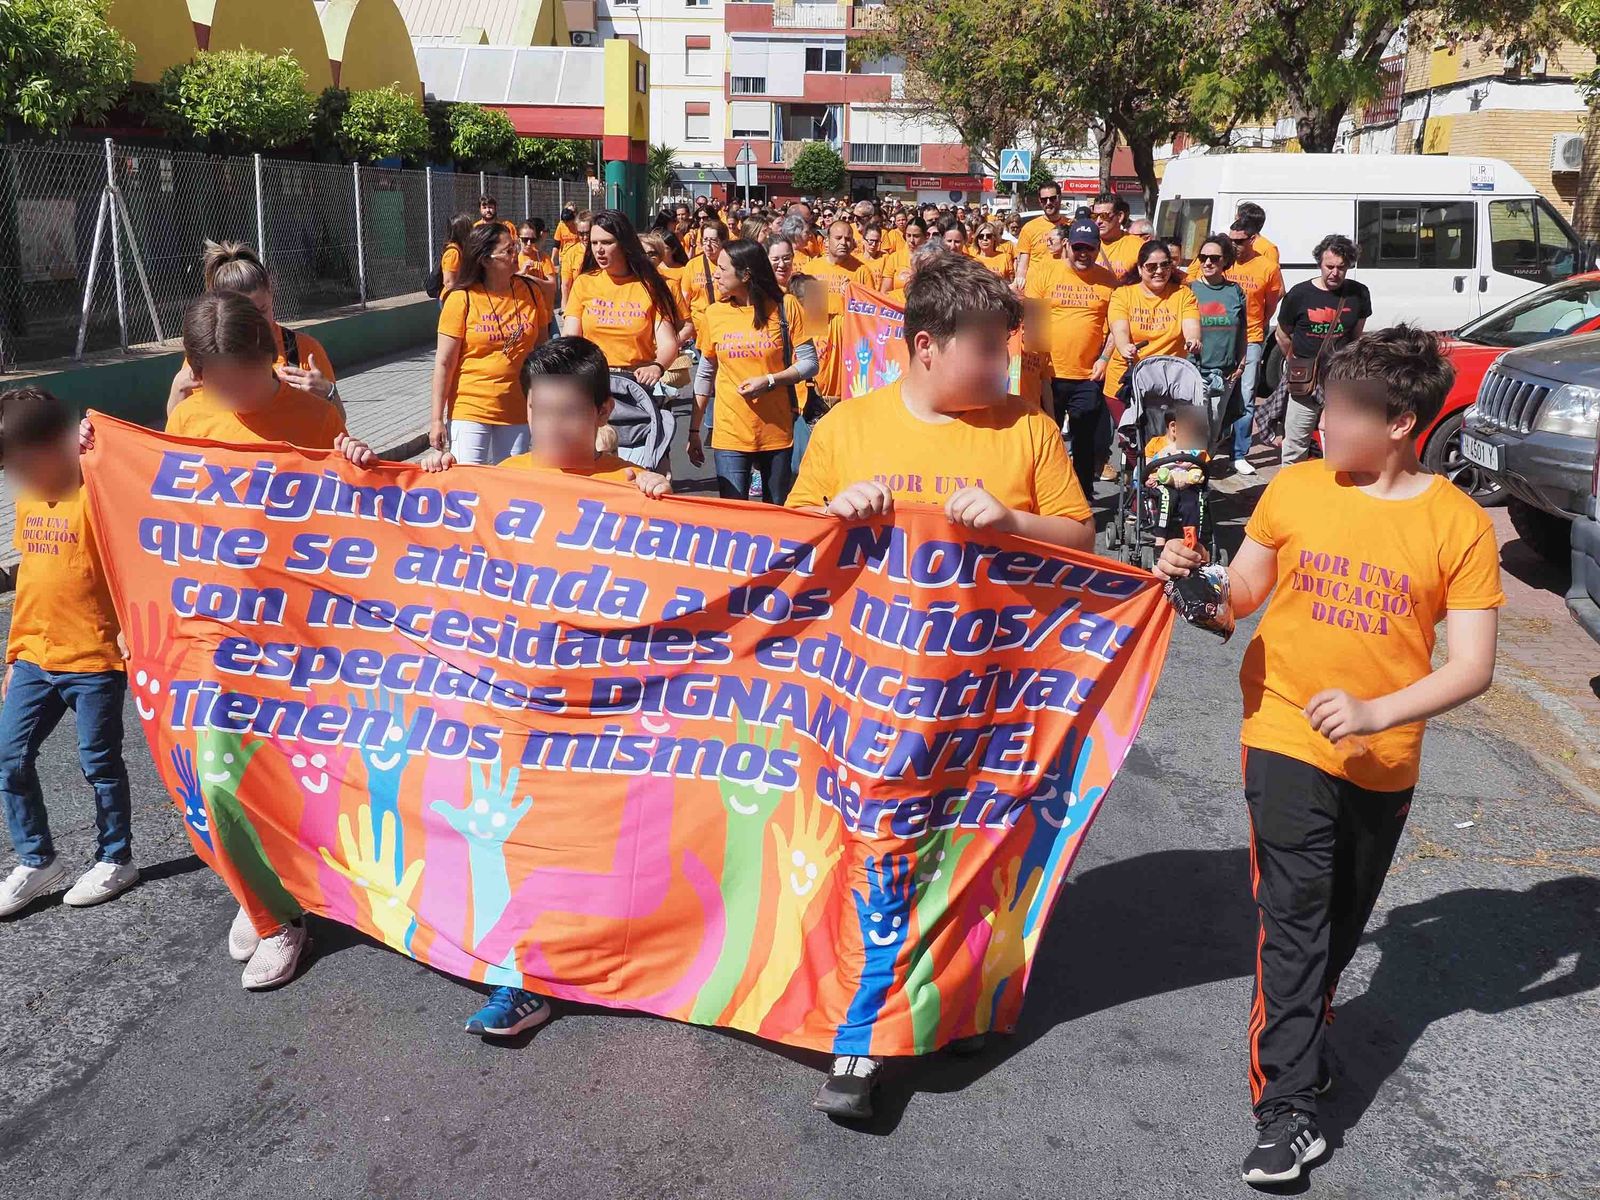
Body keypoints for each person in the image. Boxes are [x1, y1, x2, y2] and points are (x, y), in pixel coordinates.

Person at [1154, 325, 1503, 1186]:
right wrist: (1191, 581)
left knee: (1337, 929)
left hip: (1384, 760)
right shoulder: (1297, 487)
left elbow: (1473, 666)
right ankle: (1286, 1111)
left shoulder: (1458, 524)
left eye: (1344, 412)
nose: (1323, 425)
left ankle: (1305, 1043)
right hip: (1281, 731)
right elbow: (1240, 594)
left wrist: (1377, 711)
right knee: (1295, 925)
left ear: (1400, 424)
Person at [418, 335, 668, 1037]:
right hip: (520, 704)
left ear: (603, 413)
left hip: (601, 710)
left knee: (594, 845)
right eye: (539, 410)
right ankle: (518, 981)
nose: (551, 427)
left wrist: (659, 498)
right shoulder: (499, 480)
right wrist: (432, 479)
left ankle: (616, 964)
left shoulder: (632, 488)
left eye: (568, 413)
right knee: (519, 838)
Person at [158, 293, 373, 988]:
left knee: (285, 777)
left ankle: (280, 888)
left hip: (296, 633)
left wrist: (357, 463)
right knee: (217, 779)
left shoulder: (314, 417)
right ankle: (275, 915)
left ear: (268, 357)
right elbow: (162, 506)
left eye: (242, 379)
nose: (233, 396)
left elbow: (349, 523)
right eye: (217, 382)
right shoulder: (191, 417)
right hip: (217, 628)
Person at [0, 387, 138, 919]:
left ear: (51, 445)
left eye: (20, 460)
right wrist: (14, 654)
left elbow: (133, 559)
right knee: (9, 757)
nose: (14, 473)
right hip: (35, 657)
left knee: (99, 763)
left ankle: (115, 858)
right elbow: (32, 583)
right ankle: (37, 860)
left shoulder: (97, 490)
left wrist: (92, 441)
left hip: (95, 658)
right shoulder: (27, 498)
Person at [688, 239, 818, 502]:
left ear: (746, 274)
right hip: (730, 432)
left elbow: (810, 363)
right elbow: (705, 374)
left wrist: (770, 380)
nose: (715, 275)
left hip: (776, 431)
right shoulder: (714, 313)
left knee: (775, 510)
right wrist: (694, 431)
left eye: (722, 269)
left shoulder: (786, 306)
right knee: (734, 513)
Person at [167, 241, 340, 417]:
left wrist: (328, 392)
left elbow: (336, 422)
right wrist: (178, 388)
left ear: (270, 293)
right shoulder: (208, 355)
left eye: (262, 310)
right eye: (243, 315)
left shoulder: (304, 350)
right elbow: (178, 426)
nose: (256, 321)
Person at [430, 222, 551, 465]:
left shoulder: (531, 292)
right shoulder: (462, 298)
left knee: (511, 481)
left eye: (515, 247)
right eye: (508, 250)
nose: (516, 254)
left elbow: (542, 352)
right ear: (485, 260)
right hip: (470, 407)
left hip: (517, 409)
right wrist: (436, 420)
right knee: (469, 480)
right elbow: (444, 363)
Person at [1025, 217, 1121, 501]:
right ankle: (1045, 496)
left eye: (1089, 248)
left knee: (1084, 439)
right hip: (1048, 374)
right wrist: (1038, 369)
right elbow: (1033, 320)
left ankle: (1082, 497)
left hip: (1087, 375)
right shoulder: (1045, 272)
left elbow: (1117, 327)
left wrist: (1104, 359)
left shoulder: (1108, 281)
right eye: (1078, 247)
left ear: (1097, 248)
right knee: (1045, 438)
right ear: (1066, 245)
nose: (1083, 254)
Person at [1272, 234, 1371, 465]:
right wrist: (1296, 362)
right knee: (1295, 446)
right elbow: (1282, 334)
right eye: (1330, 267)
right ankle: (1291, 486)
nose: (1335, 273)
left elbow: (1356, 338)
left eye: (1341, 267)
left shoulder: (1359, 293)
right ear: (1320, 263)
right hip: (1305, 381)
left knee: (1342, 449)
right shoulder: (1299, 294)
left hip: (1341, 380)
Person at [562, 210, 681, 395]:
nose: (599, 249)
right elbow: (570, 337)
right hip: (593, 382)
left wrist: (657, 366)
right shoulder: (583, 283)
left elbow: (668, 343)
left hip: (636, 385)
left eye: (607, 242)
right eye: (594, 243)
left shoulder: (651, 286)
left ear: (624, 244)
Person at [1105, 240, 1202, 422]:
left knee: (1179, 435)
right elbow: (1119, 329)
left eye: (1165, 265)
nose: (1159, 271)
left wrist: (1193, 340)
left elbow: (1191, 325)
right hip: (1128, 382)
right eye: (1151, 267)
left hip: (1170, 383)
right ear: (1140, 269)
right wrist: (1124, 346)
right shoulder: (1123, 294)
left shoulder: (1183, 294)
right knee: (1135, 436)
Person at [1224, 221, 1285, 476]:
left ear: (1252, 240)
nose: (1234, 245)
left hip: (1251, 338)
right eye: (1231, 240)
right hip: (1219, 338)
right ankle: (1204, 448)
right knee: (1211, 395)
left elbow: (1272, 302)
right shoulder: (1220, 259)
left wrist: (1257, 326)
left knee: (1246, 395)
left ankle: (1239, 453)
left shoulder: (1267, 267)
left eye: (1239, 241)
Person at [1187, 235, 1248, 457]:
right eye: (1203, 257)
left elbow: (1243, 330)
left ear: (1226, 261)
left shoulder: (1235, 291)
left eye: (1214, 258)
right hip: (1194, 371)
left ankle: (1203, 471)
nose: (1207, 262)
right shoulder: (1189, 290)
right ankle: (1188, 473)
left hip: (1225, 373)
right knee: (1191, 432)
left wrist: (1242, 363)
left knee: (1214, 429)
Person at [1142, 403, 1211, 549]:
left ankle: (1191, 541)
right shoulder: (1156, 444)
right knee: (1167, 498)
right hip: (1164, 484)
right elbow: (1149, 467)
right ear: (1173, 426)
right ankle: (1160, 540)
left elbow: (1202, 466)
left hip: (1188, 483)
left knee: (1192, 503)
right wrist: (1150, 478)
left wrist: (1195, 474)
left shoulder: (1194, 445)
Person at [804, 220, 874, 317]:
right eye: (838, 238)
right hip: (819, 325)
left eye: (848, 239)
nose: (843, 242)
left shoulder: (862, 271)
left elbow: (870, 311)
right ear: (827, 241)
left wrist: (853, 296)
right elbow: (807, 314)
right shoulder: (811, 269)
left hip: (848, 325)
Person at [1013, 180, 1067, 290]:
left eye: (1052, 198)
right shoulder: (1029, 228)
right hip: (1036, 288)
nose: (1048, 202)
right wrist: (1019, 279)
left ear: (1060, 198)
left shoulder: (1070, 225)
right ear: (1040, 201)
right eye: (1044, 199)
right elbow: (1023, 263)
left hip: (1062, 287)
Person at [681, 218, 729, 334]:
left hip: (723, 327)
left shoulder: (731, 264)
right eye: (705, 240)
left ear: (724, 241)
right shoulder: (692, 265)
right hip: (697, 330)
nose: (708, 245)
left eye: (713, 240)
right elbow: (684, 300)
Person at [1091, 195, 1143, 279]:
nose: (1098, 221)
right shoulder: (1086, 244)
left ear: (1120, 216)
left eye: (1104, 215)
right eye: (1094, 216)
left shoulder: (1138, 245)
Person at [558, 211, 594, 308]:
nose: (585, 237)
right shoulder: (571, 253)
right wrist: (564, 309)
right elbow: (565, 285)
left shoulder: (600, 251)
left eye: (588, 233)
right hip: (578, 304)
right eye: (581, 234)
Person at [438, 211, 475, 295]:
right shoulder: (453, 253)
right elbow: (449, 283)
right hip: (452, 297)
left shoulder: (461, 248)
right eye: (469, 227)